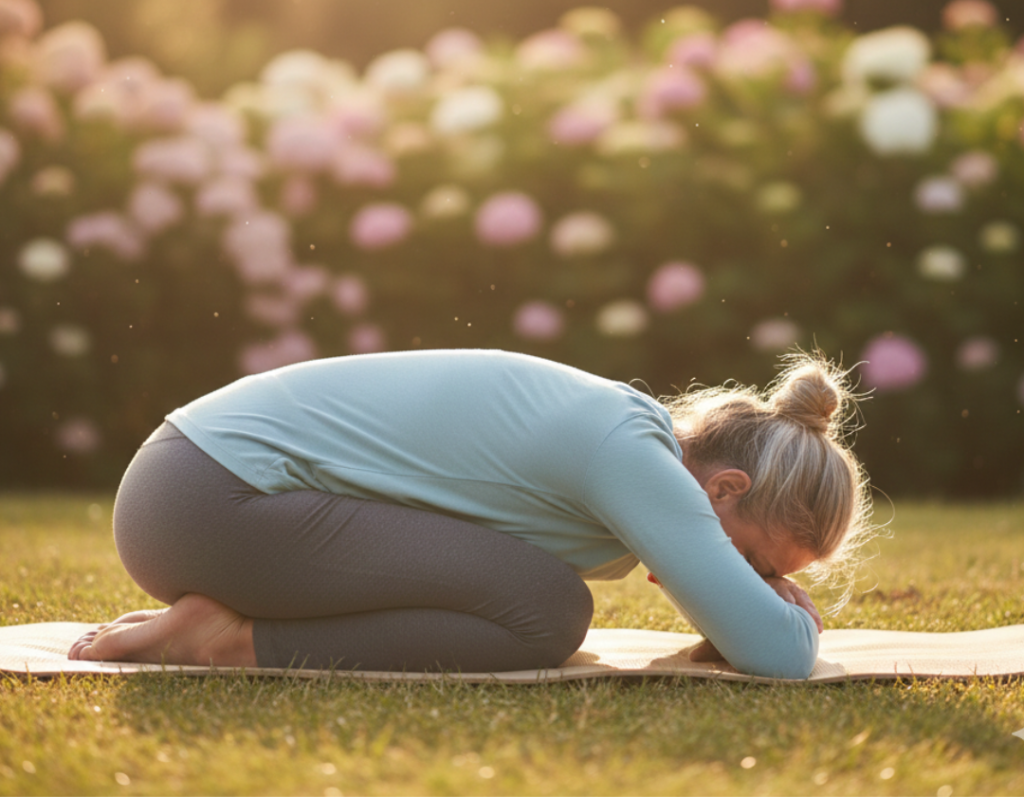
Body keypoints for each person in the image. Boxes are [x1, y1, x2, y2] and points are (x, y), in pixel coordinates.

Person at [69, 347, 872, 679]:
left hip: (197, 488)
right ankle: (230, 642)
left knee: (535, 592)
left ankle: (233, 618)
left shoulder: (622, 435)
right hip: (210, 499)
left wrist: (741, 601)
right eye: (762, 563)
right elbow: (776, 656)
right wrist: (783, 618)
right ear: (723, 490)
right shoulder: (631, 454)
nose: (755, 581)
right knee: (548, 610)